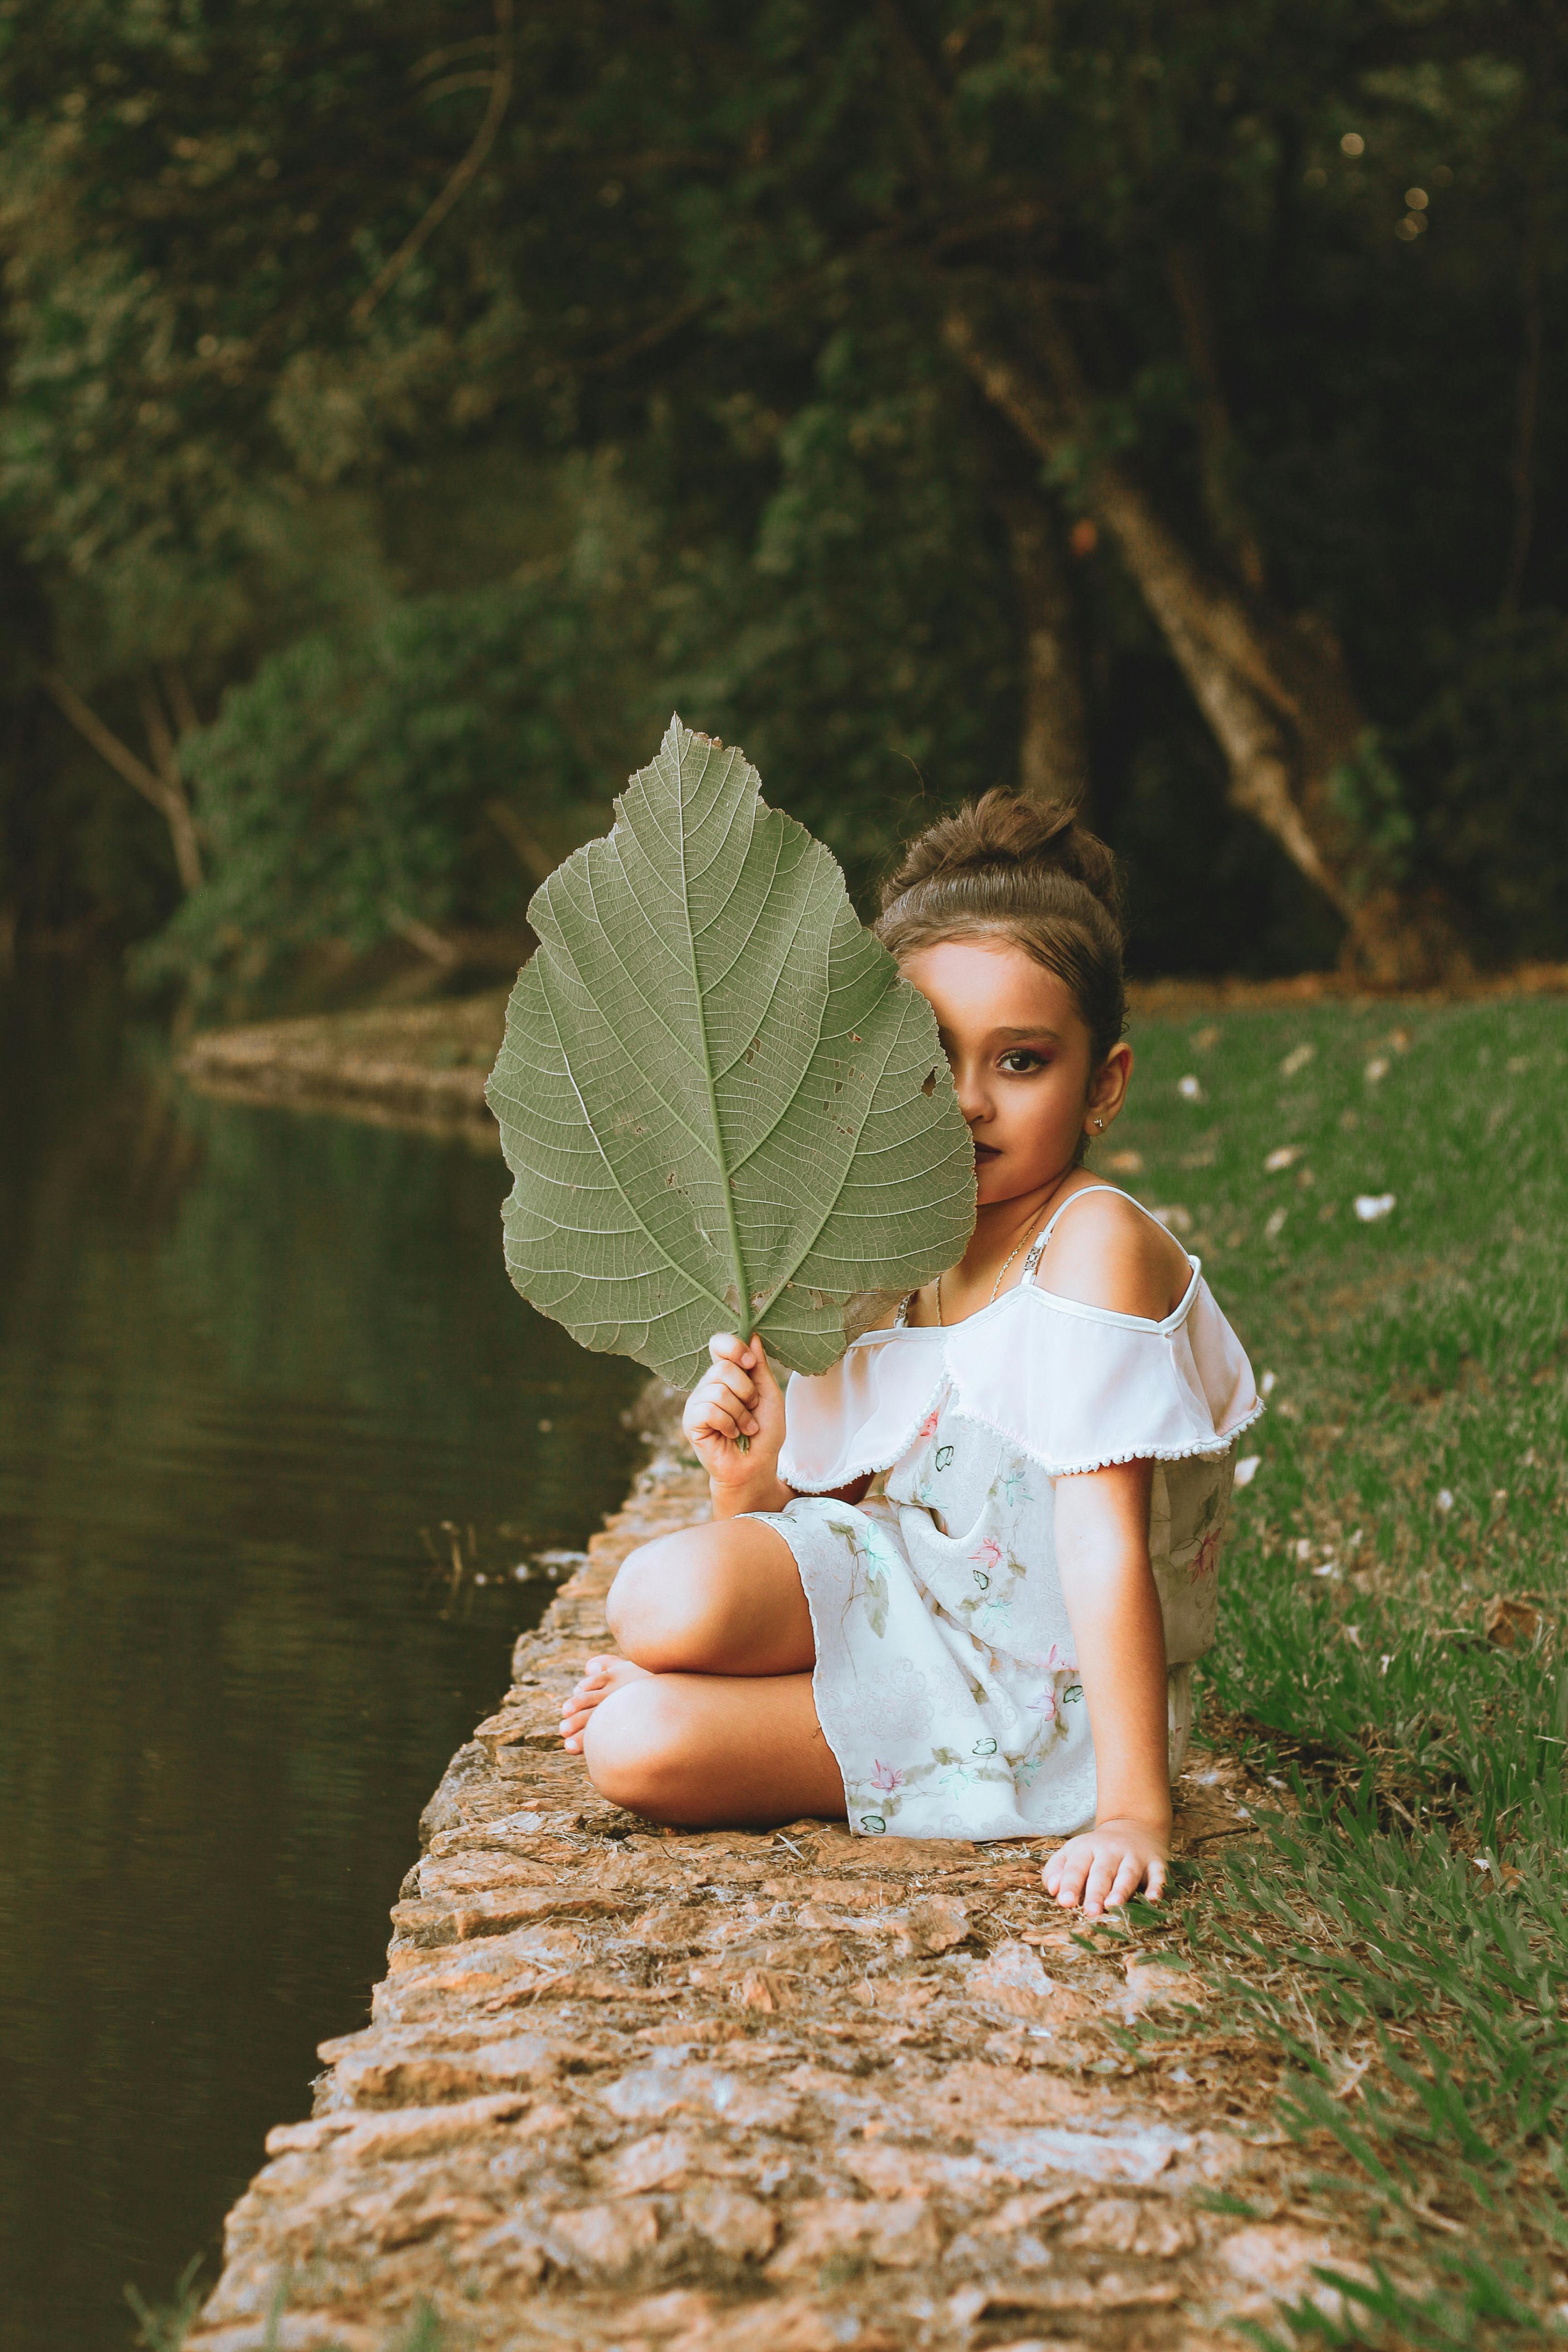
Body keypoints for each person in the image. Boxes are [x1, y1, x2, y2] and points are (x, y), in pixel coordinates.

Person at [559, 792, 1260, 1914]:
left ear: (1103, 1085)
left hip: (1028, 1695)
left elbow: (1101, 1542)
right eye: (929, 1056)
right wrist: (744, 1476)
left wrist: (1133, 1807)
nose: (968, 1102)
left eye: (1020, 1061)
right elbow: (823, 1515)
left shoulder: (1091, 1247)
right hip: (903, 1597)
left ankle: (838, 1733)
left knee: (635, 1744)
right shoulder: (880, 1250)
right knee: (657, 1598)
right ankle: (716, 1681)